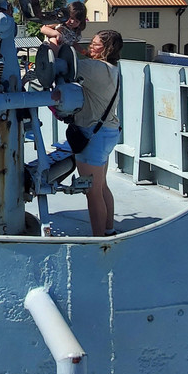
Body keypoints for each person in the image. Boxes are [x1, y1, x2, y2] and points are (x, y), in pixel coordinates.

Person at [71, 29, 124, 236]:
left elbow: (65, 65)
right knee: (102, 187)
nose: (91, 47)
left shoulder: (95, 68)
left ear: (107, 48)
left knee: (92, 193)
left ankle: (98, 240)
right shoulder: (112, 68)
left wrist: (58, 41)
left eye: (95, 44)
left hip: (92, 136)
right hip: (108, 132)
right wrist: (79, 48)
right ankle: (108, 230)